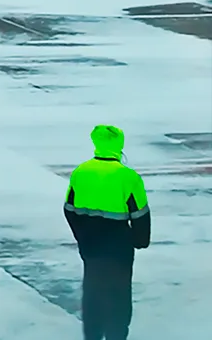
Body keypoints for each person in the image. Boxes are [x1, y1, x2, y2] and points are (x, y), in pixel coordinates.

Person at [65, 124, 150, 340]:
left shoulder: (80, 172)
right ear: (119, 145)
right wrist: (140, 240)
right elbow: (140, 215)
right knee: (119, 294)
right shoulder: (128, 177)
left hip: (90, 244)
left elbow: (69, 209)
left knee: (93, 291)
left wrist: (81, 234)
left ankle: (92, 335)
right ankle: (116, 335)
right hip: (118, 246)